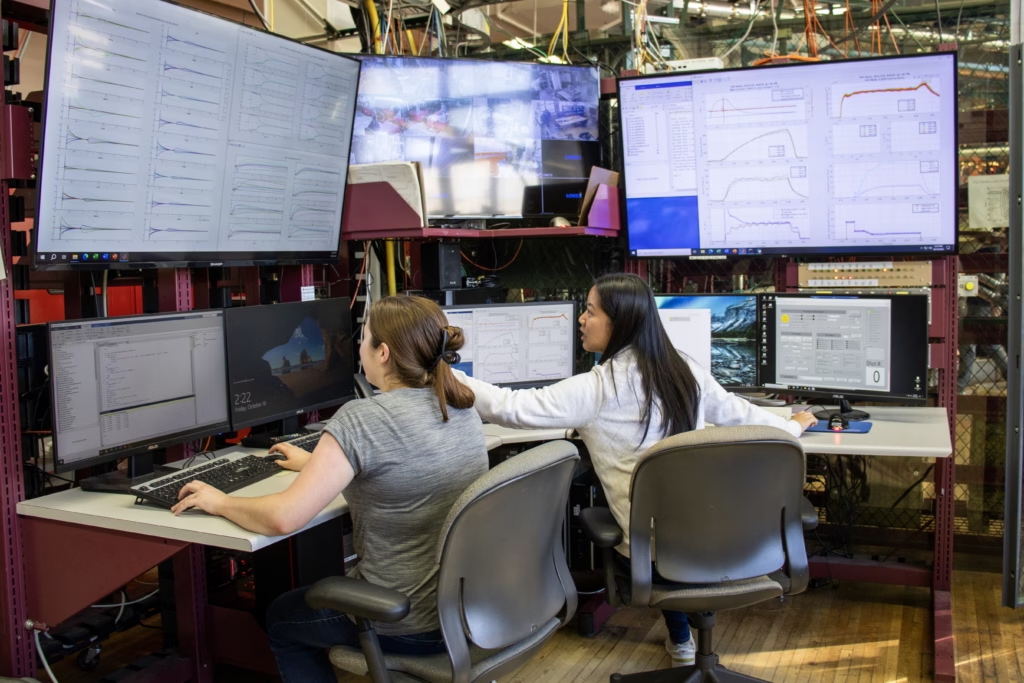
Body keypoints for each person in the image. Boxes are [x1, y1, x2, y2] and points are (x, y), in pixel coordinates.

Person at [453, 274, 816, 667]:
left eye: (590, 311)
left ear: (618, 321)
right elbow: (743, 417)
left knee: (653, 522)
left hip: (657, 555)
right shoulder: (683, 370)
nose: (581, 319)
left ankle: (681, 641)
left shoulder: (598, 388)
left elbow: (511, 407)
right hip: (725, 540)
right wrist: (794, 425)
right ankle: (682, 641)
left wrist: (444, 373)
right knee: (670, 511)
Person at [171, 296, 487, 683]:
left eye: (364, 337)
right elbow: (409, 460)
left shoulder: (363, 418)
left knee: (282, 616)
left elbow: (283, 517)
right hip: (464, 612)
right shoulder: (459, 405)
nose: (357, 346)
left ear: (383, 353)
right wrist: (319, 462)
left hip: (402, 622)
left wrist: (220, 501)